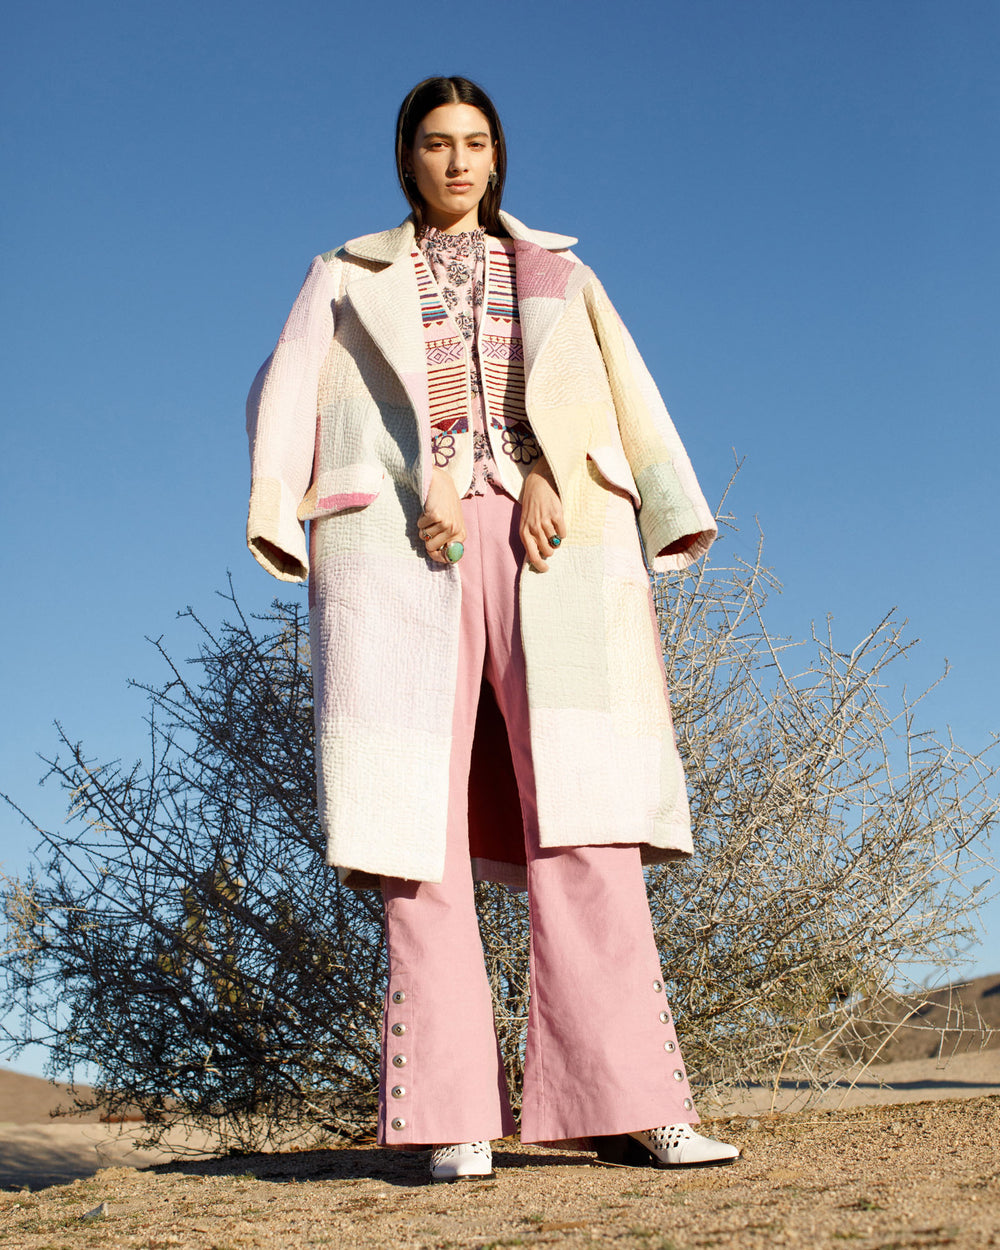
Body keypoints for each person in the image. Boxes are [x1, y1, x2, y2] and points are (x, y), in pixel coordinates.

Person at [246, 75, 738, 1181]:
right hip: (400, 552)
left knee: (591, 818)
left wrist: (567, 475)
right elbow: (284, 394)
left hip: (550, 548)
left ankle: (637, 1103)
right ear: (405, 157)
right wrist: (319, 504)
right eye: (436, 143)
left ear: (498, 154)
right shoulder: (343, 274)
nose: (458, 162)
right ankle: (448, 1115)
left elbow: (621, 389)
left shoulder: (560, 269)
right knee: (412, 825)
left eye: (476, 143)